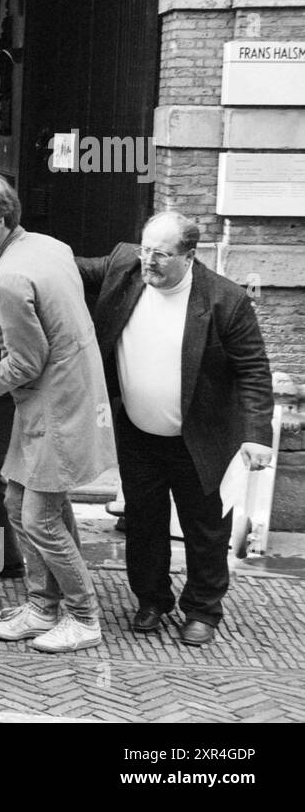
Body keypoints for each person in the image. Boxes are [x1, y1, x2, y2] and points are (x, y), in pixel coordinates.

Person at [75, 211, 274, 645]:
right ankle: (151, 600)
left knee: (205, 529)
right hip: (137, 433)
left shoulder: (225, 300)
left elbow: (254, 371)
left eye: (161, 255)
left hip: (201, 439)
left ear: (189, 256)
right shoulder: (124, 265)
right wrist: (15, 246)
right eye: (145, 249)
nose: (148, 262)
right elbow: (65, 266)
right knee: (143, 524)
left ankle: (202, 609)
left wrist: (257, 433)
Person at [0, 175, 116, 653]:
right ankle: (42, 607)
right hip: (61, 399)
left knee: (38, 518)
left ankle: (83, 617)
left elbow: (25, 361)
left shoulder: (10, 279)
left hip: (54, 409)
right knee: (25, 505)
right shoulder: (47, 246)